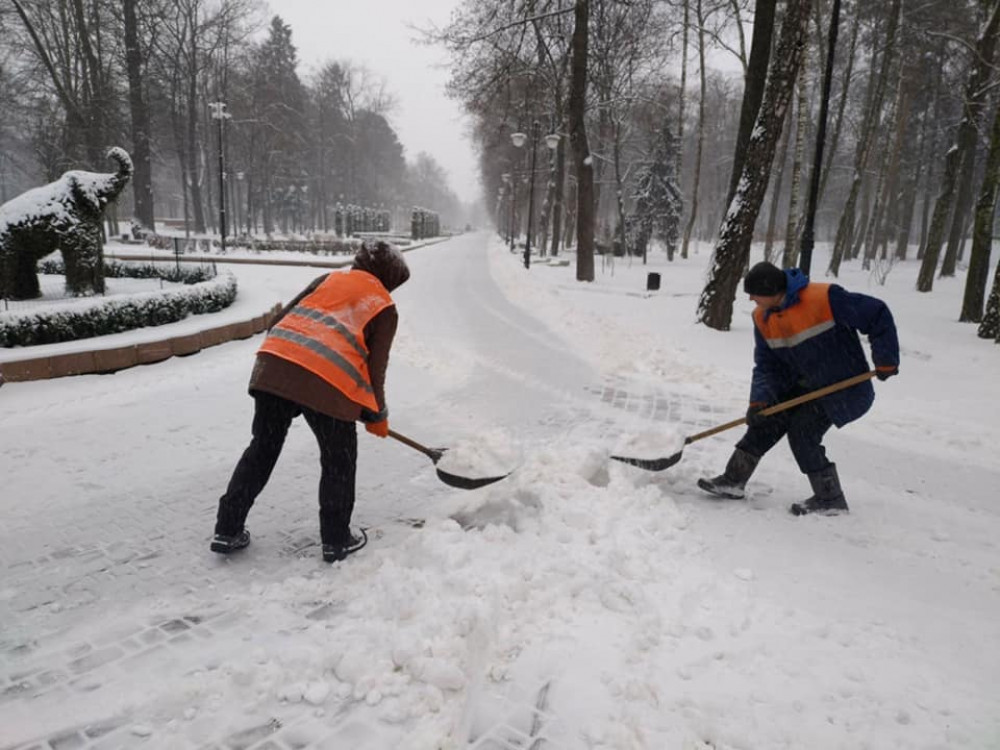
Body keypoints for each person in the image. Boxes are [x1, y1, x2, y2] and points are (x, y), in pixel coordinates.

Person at [211, 240, 410, 561]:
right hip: (326, 383)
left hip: (273, 365)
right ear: (390, 277)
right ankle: (336, 539)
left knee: (262, 449)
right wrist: (378, 413)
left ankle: (227, 528)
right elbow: (376, 369)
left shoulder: (329, 279)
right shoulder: (384, 306)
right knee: (338, 462)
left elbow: (280, 320)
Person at [698, 261, 899, 516]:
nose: (750, 299)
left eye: (754, 293)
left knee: (802, 432)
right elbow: (766, 364)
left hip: (845, 388)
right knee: (765, 420)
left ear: (771, 290)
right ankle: (733, 480)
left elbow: (876, 313)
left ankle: (830, 499)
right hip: (803, 387)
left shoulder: (824, 298)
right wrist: (759, 402)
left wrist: (886, 359)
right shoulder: (762, 317)